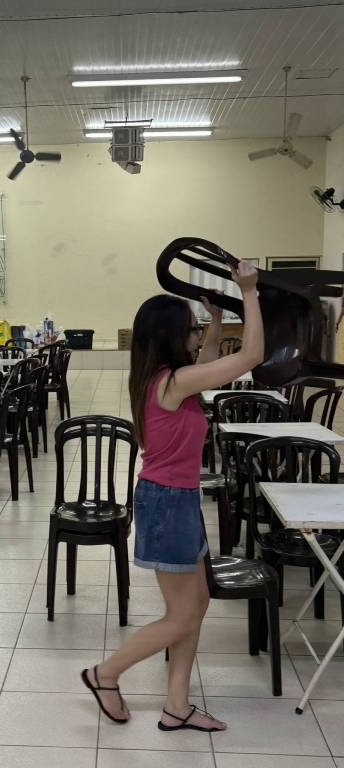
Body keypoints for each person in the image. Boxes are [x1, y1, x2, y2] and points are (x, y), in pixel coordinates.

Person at [81, 261, 264, 733]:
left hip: (176, 501)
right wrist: (248, 292)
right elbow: (251, 355)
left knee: (194, 606)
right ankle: (105, 674)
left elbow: (204, 365)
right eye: (192, 329)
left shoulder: (166, 378)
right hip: (166, 503)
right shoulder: (171, 382)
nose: (197, 335)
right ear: (170, 336)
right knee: (181, 617)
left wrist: (216, 323)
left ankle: (176, 706)